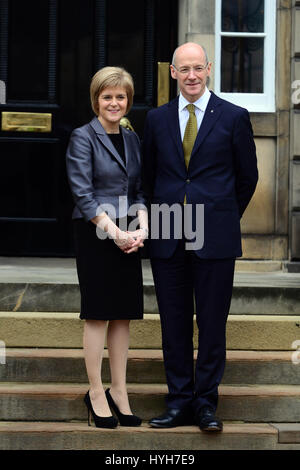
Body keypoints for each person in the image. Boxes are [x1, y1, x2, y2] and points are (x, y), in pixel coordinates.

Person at [143, 42, 258, 432]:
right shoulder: (156, 119)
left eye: (197, 68)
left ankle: (206, 404)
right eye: (183, 69)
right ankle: (178, 402)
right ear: (172, 73)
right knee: (173, 322)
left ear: (208, 69)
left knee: (211, 323)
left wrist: (221, 216)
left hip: (215, 233)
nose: (191, 75)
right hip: (167, 228)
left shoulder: (234, 116)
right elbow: (148, 177)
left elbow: (247, 178)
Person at [66, 66, 148, 428]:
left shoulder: (132, 139)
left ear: (128, 100)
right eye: (107, 96)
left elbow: (139, 191)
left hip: (129, 233)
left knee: (123, 313)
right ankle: (96, 391)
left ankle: (119, 390)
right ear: (96, 100)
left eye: (121, 96)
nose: (114, 102)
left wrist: (143, 228)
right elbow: (83, 195)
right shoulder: (82, 137)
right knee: (98, 312)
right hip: (97, 231)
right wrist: (115, 231)